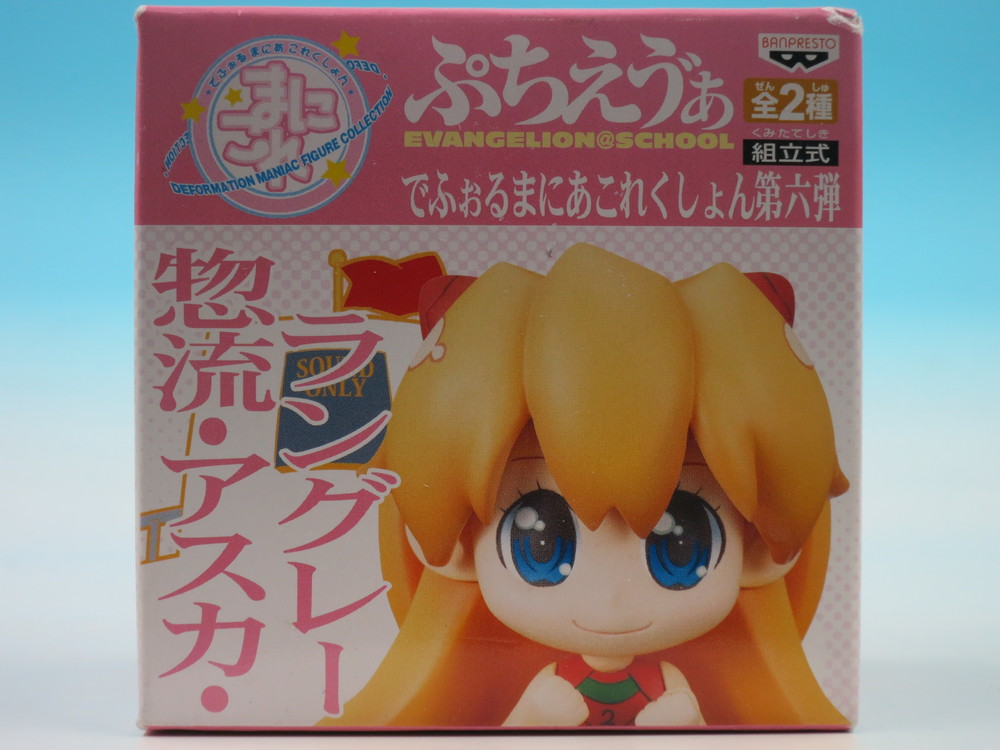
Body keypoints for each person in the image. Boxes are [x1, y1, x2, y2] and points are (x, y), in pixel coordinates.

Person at [325, 243, 850, 728]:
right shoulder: (550, 682)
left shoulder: (668, 683)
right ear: (455, 545)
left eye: (680, 547)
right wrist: (532, 717)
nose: (610, 604)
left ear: (763, 549)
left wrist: (686, 724)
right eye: (540, 544)